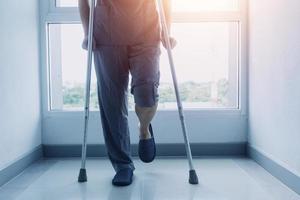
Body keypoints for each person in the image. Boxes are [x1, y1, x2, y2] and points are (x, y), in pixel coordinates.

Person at [78, 0, 176, 186]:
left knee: (147, 95)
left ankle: (144, 128)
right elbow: (83, 1)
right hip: (106, 35)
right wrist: (87, 33)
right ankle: (123, 165)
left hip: (146, 33)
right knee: (112, 102)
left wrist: (166, 31)